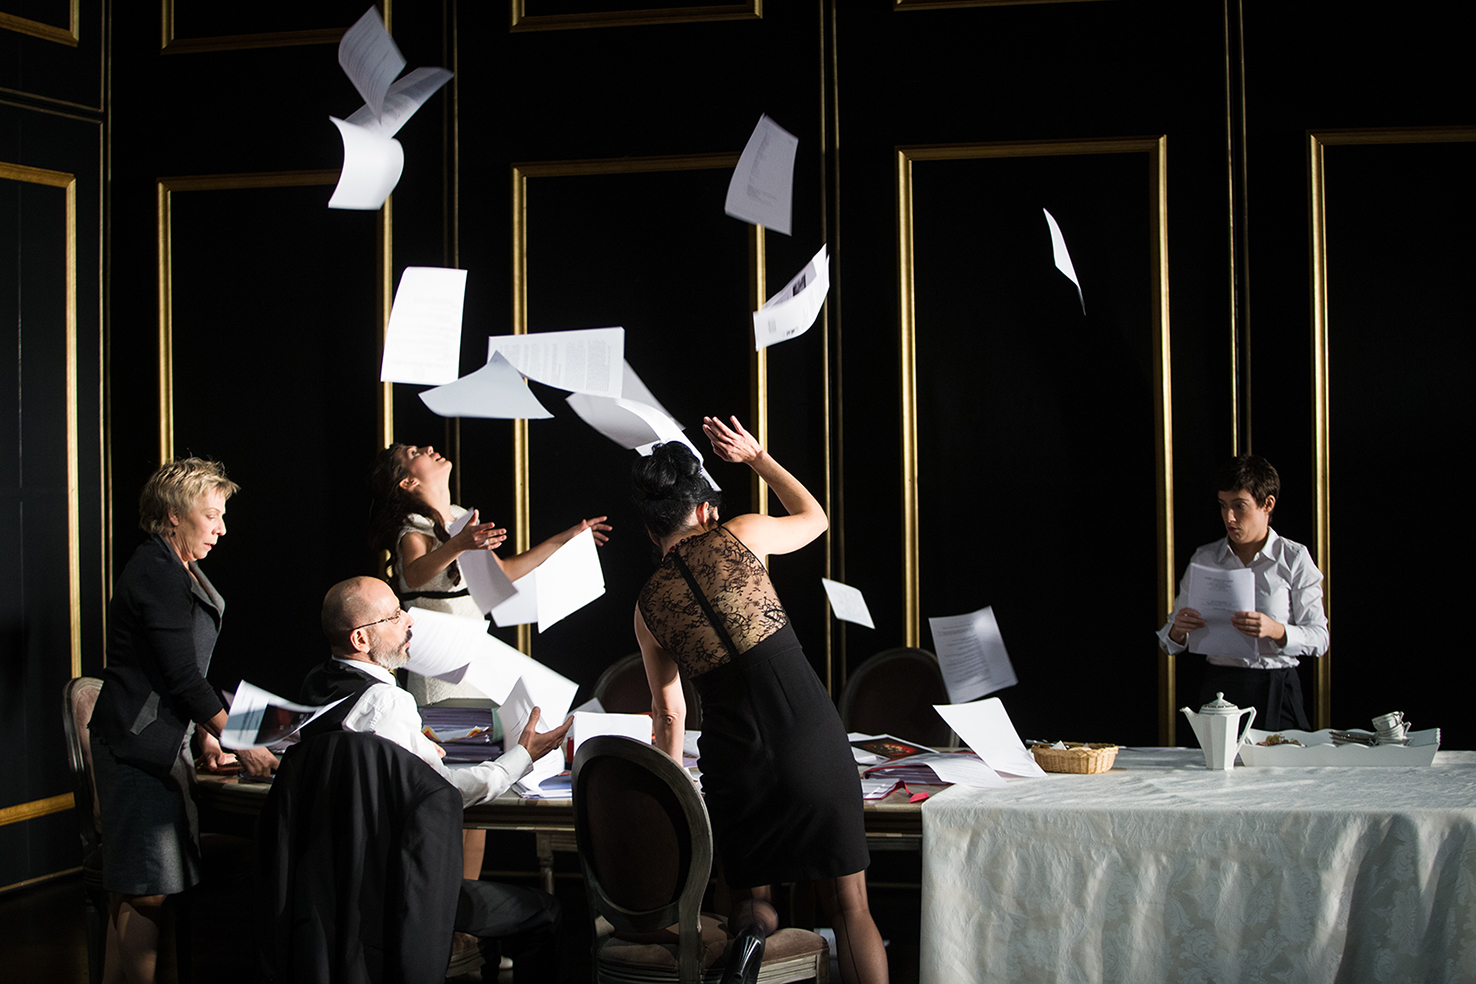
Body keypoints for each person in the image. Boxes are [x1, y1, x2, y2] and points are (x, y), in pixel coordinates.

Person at [632, 417, 888, 984]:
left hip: (734, 758)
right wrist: (756, 458)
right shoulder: (739, 534)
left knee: (751, 903)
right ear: (705, 510)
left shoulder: (648, 609)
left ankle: (747, 947)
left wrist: (676, 795)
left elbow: (669, 714)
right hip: (808, 736)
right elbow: (815, 518)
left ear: (653, 532)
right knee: (849, 908)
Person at [301, 576, 572, 983]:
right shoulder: (386, 702)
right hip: (400, 887)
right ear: (360, 639)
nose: (409, 620)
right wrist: (522, 756)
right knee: (545, 913)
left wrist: (416, 750)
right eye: (394, 616)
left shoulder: (316, 684)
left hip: (329, 886)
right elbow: (444, 795)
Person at [368, 441, 609, 880]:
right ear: (408, 481)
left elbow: (505, 573)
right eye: (415, 451)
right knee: (449, 792)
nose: (429, 448)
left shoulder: (460, 517)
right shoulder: (413, 528)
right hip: (440, 678)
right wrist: (459, 543)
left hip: (476, 670)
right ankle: (441, 899)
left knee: (481, 793)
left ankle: (467, 901)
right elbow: (414, 575)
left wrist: (565, 540)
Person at [88, 458, 278, 984]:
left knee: (139, 890)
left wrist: (202, 735)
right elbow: (181, 678)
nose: (222, 528)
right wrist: (237, 739)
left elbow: (182, 671)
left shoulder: (175, 566)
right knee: (145, 891)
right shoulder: (156, 571)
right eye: (211, 515)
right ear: (174, 515)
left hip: (156, 743)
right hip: (136, 750)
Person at [1157, 454, 1329, 729]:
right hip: (1220, 689)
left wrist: (1275, 630)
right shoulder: (1205, 558)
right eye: (1223, 505)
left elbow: (1320, 638)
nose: (1229, 517)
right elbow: (1169, 641)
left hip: (1277, 688)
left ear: (1267, 504)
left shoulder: (1293, 558)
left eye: (1239, 506)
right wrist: (1179, 629)